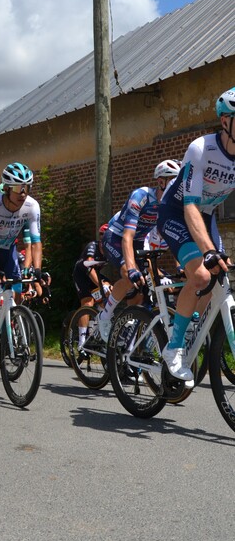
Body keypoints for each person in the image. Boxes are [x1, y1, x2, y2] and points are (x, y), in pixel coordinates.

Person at [157, 88, 235, 383]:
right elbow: (190, 206)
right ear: (225, 121)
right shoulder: (202, 148)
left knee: (219, 274)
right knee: (202, 275)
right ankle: (174, 347)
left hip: (207, 215)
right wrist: (208, 250)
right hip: (177, 212)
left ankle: (189, 325)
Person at [0, 162, 46, 370]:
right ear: (6, 188)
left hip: (8, 251)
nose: (23, 193)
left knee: (18, 292)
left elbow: (36, 242)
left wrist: (37, 270)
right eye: (17, 188)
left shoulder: (32, 206)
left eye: (27, 187)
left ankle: (11, 333)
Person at [97, 159, 181, 341]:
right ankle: (104, 315)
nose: (177, 187)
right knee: (129, 275)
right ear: (161, 182)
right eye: (174, 182)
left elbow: (174, 237)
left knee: (148, 286)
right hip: (117, 237)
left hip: (139, 241)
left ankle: (134, 334)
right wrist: (132, 268)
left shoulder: (171, 205)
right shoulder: (141, 196)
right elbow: (127, 236)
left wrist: (181, 266)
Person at [72, 224, 111, 349]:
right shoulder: (92, 246)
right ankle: (82, 340)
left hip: (96, 274)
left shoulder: (112, 249)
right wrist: (100, 286)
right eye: (101, 235)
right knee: (88, 302)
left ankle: (97, 326)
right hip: (82, 273)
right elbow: (89, 266)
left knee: (111, 290)